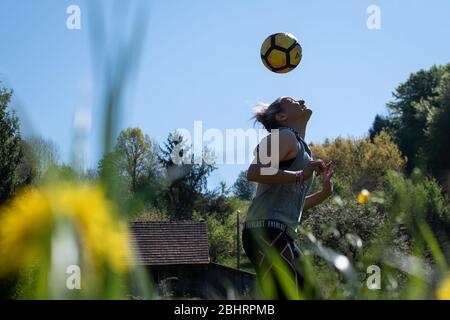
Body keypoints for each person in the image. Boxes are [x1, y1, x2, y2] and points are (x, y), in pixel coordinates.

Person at [243, 96, 334, 299]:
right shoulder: (284, 136)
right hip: (264, 231)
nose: (301, 100)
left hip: (281, 233)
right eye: (291, 100)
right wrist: (300, 175)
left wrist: (323, 194)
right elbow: (254, 172)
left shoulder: (302, 149)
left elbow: (294, 204)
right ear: (281, 116)